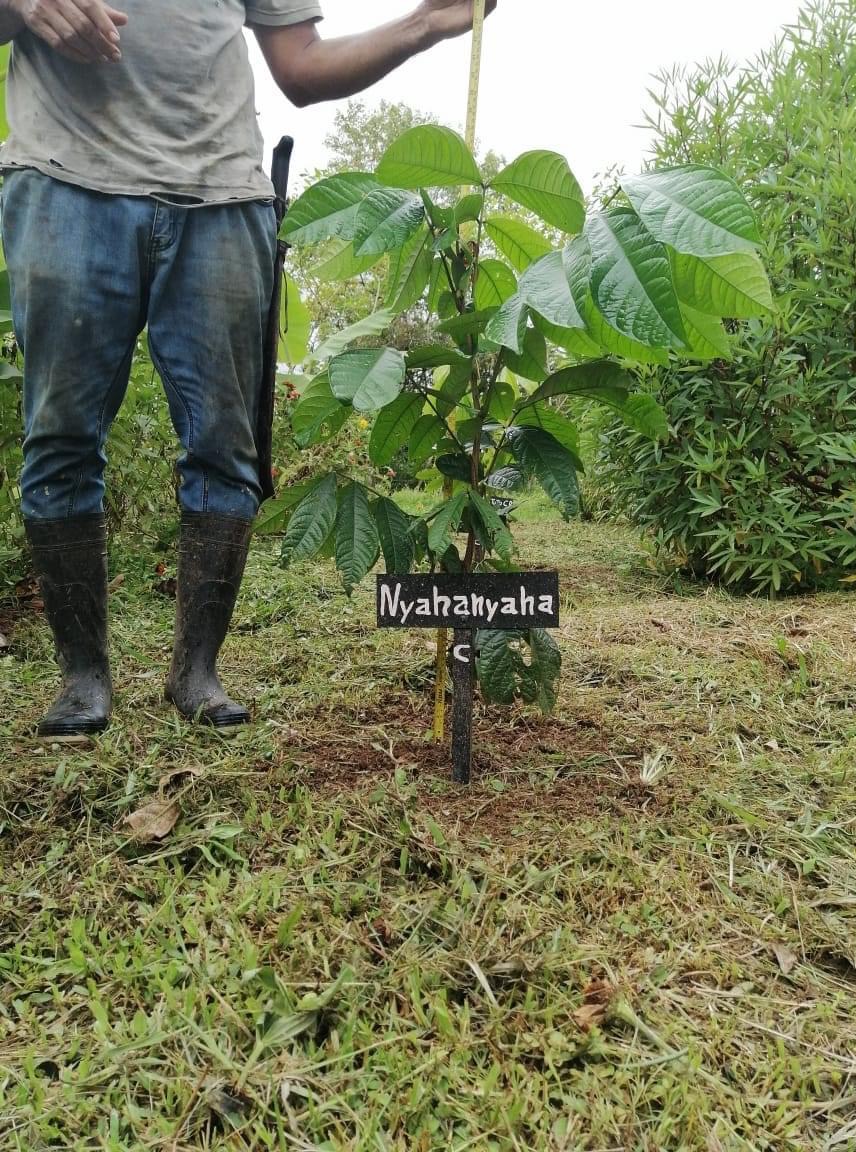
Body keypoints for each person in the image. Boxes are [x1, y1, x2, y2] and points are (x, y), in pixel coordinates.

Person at [0, 0, 495, 737]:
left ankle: (196, 671)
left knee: (226, 446)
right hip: (65, 179)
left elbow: (300, 65)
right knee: (60, 437)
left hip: (223, 196)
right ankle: (82, 679)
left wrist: (423, 24)